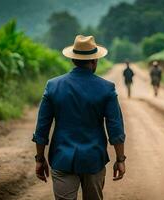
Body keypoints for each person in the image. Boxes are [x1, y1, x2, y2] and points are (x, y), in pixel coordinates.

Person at [32, 35, 126, 200]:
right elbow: (115, 129)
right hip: (94, 159)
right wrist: (120, 159)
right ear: (95, 61)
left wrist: (39, 159)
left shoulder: (53, 86)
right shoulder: (107, 89)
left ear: (73, 60)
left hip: (62, 158)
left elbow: (42, 128)